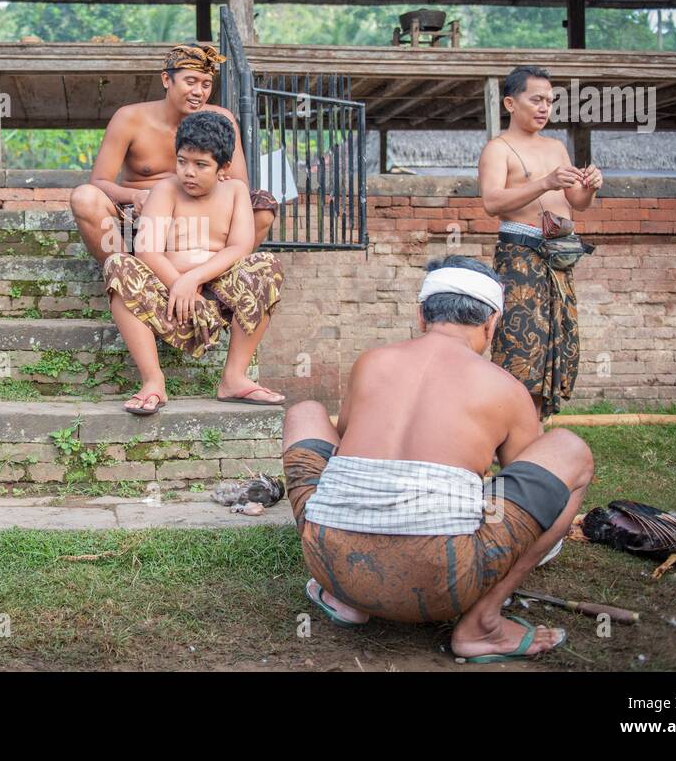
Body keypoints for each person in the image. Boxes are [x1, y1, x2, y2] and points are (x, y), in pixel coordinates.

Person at [281, 255, 594, 662]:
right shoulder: (507, 389)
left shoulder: (369, 363)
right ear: (491, 323)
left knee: (304, 412)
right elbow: (528, 490)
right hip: (442, 581)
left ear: (421, 315)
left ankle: (346, 600)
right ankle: (483, 624)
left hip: (332, 565)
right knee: (570, 449)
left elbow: (346, 453)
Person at [103, 110, 285, 414]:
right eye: (182, 161)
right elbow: (147, 251)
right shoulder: (166, 190)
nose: (188, 172)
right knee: (117, 265)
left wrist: (194, 280)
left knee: (266, 264)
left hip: (217, 298)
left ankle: (234, 378)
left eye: (201, 165)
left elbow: (240, 247)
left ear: (223, 168)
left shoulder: (236, 191)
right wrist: (178, 283)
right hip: (170, 298)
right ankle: (153, 381)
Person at [71, 43, 277, 263]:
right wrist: (135, 196)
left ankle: (212, 277)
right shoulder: (129, 119)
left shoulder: (221, 120)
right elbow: (99, 182)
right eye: (191, 82)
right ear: (166, 80)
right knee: (84, 198)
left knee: (263, 206)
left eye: (206, 84)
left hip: (204, 216)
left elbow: (240, 186)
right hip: (142, 216)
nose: (199, 92)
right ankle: (129, 276)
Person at [479, 65, 603, 418]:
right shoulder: (497, 149)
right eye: (536, 99)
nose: (544, 107)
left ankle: (536, 427)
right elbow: (492, 202)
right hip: (520, 258)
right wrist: (545, 182)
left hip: (558, 258)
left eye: (549, 101)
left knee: (555, 345)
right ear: (510, 103)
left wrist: (590, 188)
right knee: (519, 348)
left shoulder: (556, 147)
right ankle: (507, 425)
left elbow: (576, 202)